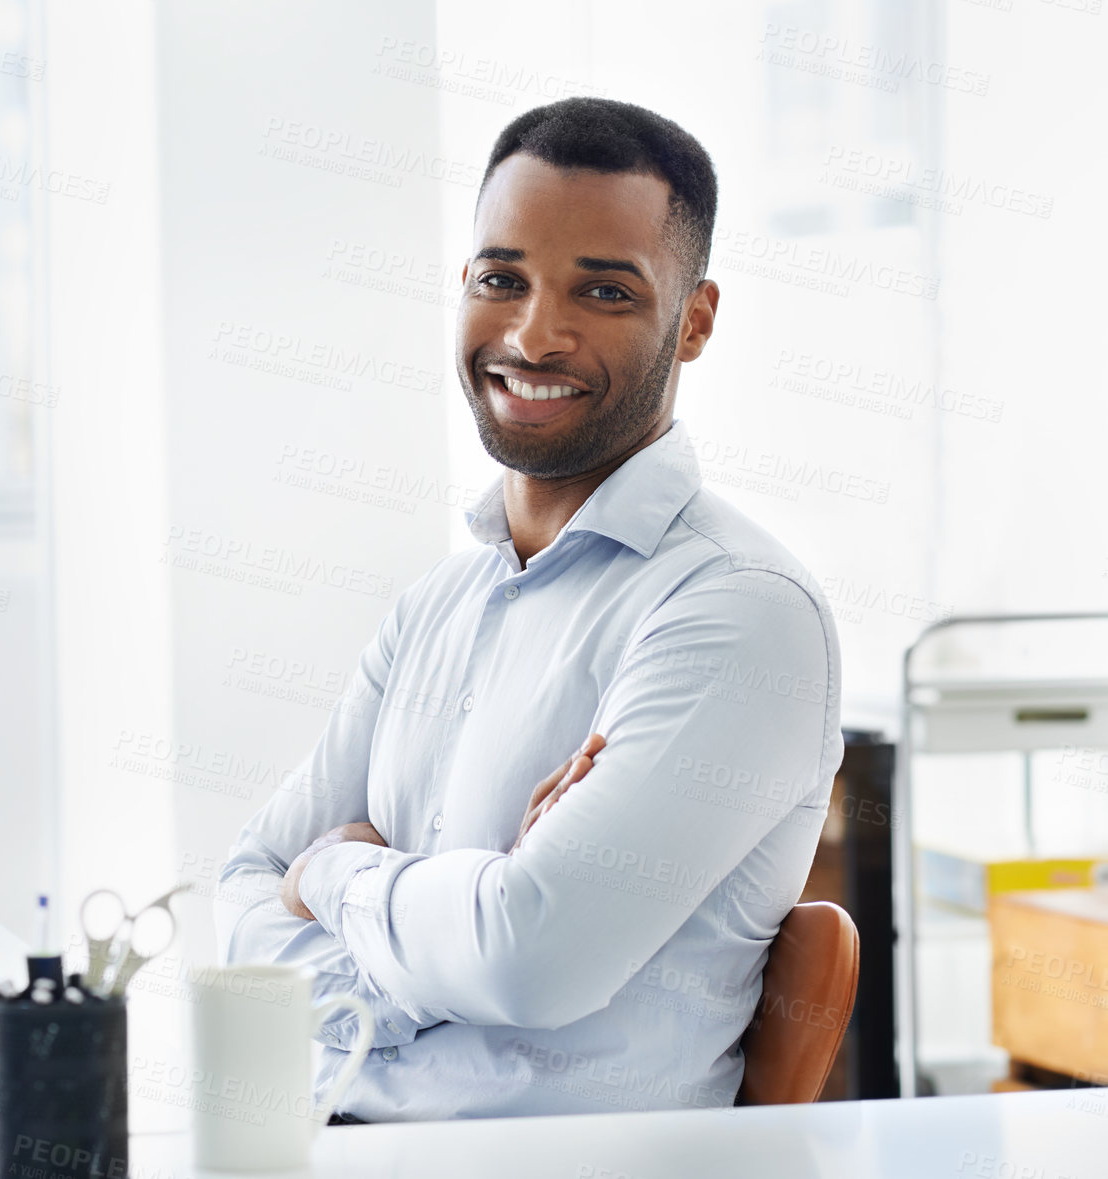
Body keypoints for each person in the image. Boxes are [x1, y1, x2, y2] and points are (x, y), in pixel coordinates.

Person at [215, 97, 842, 1122]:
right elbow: (242, 895)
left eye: (602, 291)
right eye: (501, 279)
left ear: (693, 320)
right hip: (336, 1142)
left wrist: (338, 875)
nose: (532, 334)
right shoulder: (436, 603)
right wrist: (442, 927)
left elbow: (525, 965)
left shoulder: (735, 612)